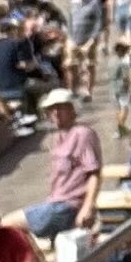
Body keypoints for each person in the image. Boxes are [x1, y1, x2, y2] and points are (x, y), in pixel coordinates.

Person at [23, 88, 102, 247]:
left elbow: (94, 173)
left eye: (61, 108)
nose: (56, 113)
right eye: (52, 109)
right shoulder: (57, 137)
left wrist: (88, 206)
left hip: (68, 205)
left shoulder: (82, 134)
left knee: (6, 225)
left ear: (73, 109)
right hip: (55, 203)